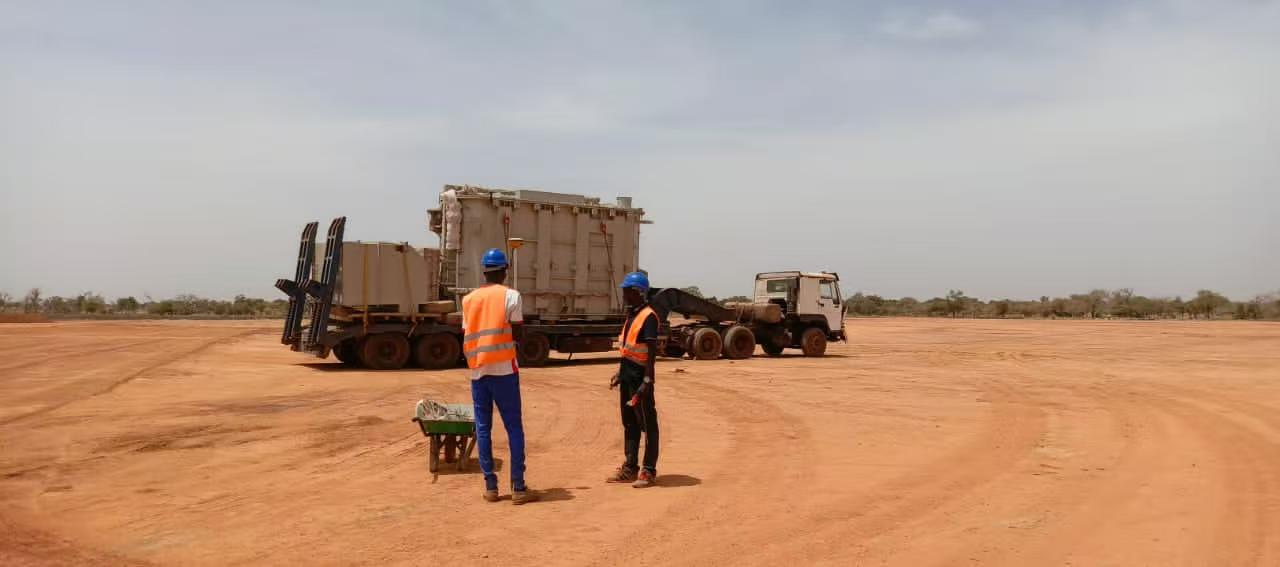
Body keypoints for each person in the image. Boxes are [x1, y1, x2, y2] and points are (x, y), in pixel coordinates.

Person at [462, 248, 535, 505]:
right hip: (504, 369)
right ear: (505, 270)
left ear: (484, 271)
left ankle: (491, 487)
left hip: (478, 371)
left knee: (483, 429)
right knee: (513, 427)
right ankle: (518, 487)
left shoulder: (468, 300)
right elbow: (517, 334)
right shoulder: (511, 296)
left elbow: (469, 331)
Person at [607, 271, 661, 488]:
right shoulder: (632, 315)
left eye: (627, 291)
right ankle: (630, 467)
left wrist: (647, 380)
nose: (624, 295)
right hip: (628, 376)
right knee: (629, 423)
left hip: (641, 379)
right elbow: (628, 350)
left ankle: (648, 470)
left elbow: (651, 352)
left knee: (648, 424)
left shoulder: (648, 317)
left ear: (638, 292)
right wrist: (620, 374)